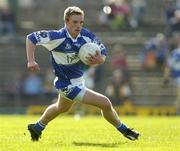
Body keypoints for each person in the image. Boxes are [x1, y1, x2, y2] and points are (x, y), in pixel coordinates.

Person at [26, 6, 140, 141]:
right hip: (67, 84)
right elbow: (31, 38)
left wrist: (100, 59)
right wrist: (31, 61)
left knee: (61, 107)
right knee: (105, 103)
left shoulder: (86, 36)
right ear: (66, 21)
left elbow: (102, 52)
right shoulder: (57, 37)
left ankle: (37, 128)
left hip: (78, 81)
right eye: (74, 22)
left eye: (81, 22)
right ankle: (125, 130)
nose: (78, 25)